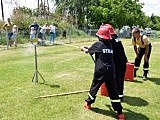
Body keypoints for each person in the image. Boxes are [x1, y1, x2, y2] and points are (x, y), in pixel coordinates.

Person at [80, 25, 124, 120]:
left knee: (95, 86)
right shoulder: (110, 45)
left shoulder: (98, 44)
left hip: (100, 71)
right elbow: (96, 49)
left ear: (100, 36)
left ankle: (88, 103)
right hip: (111, 71)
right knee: (113, 91)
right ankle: (120, 113)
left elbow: (88, 51)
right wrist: (90, 48)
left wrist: (82, 48)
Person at [106, 24, 128, 101]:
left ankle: (116, 96)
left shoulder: (110, 39)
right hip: (122, 61)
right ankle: (120, 95)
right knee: (120, 79)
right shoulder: (116, 38)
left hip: (117, 62)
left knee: (115, 79)